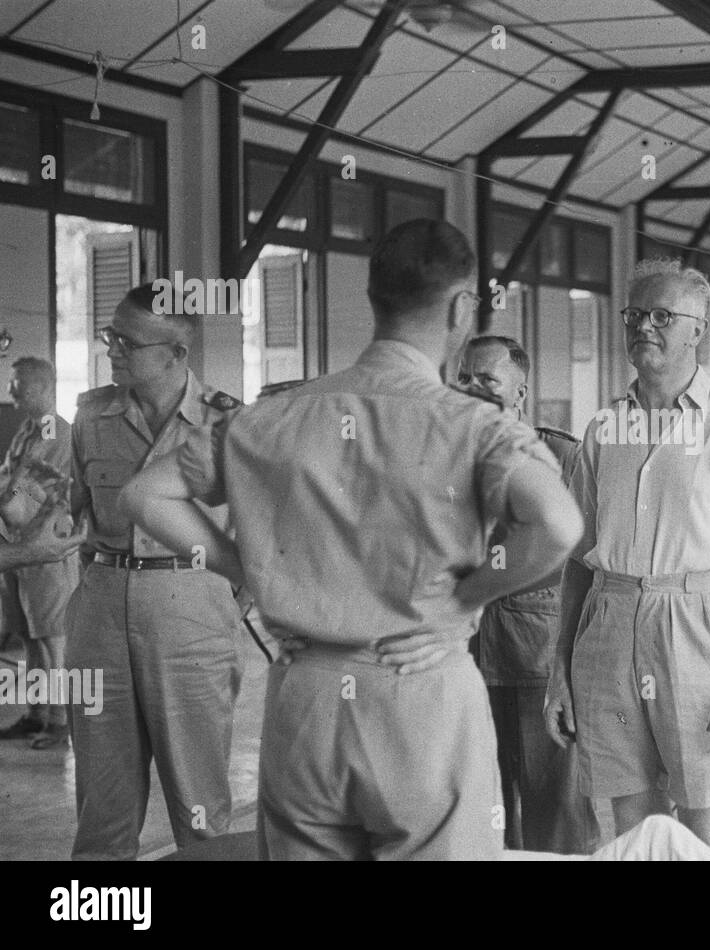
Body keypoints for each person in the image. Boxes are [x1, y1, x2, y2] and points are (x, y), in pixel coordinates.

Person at [121, 220, 582, 860]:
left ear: (373, 299)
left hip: (305, 697)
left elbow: (145, 495)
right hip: (419, 688)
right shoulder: (474, 426)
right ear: (459, 310)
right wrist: (463, 599)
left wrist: (249, 570)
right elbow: (558, 523)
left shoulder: (271, 416)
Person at [543, 258, 710, 856]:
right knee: (636, 832)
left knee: (703, 826)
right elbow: (580, 560)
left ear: (698, 330)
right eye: (635, 314)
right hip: (610, 624)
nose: (644, 326)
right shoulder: (604, 428)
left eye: (663, 316)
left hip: (702, 629)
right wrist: (560, 665)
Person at [65, 285, 245, 860]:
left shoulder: (228, 423)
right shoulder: (90, 415)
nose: (112, 349)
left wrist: (224, 609)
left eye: (127, 342)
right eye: (110, 336)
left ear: (176, 353)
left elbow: (261, 540)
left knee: (200, 807)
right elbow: (67, 508)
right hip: (100, 614)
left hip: (193, 615)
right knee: (102, 805)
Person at [458, 334, 600, 854]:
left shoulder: (561, 455)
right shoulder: (442, 456)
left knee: (555, 805)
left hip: (537, 654)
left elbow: (588, 558)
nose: (472, 388)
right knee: (479, 800)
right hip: (464, 654)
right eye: (464, 378)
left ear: (520, 392)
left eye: (487, 380)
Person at [0, 358, 80, 749]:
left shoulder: (57, 432)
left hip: (45, 546)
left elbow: (26, 490)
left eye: (19, 384)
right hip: (18, 547)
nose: (10, 390)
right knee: (31, 638)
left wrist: (9, 488)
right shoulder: (28, 429)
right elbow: (10, 481)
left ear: (45, 387)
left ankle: (60, 720)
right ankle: (36, 713)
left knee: (52, 638)